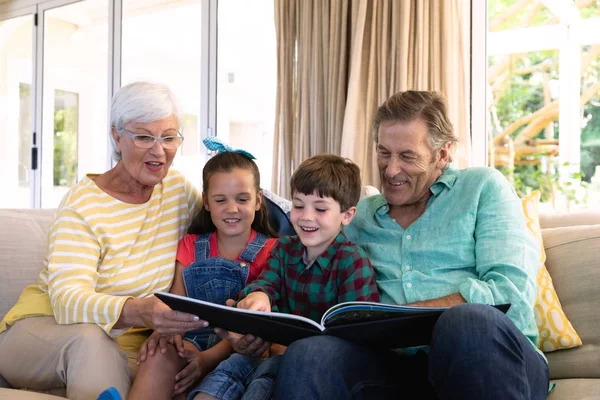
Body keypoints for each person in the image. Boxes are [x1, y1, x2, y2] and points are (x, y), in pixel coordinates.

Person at [272, 90, 550, 399]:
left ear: (442, 155)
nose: (391, 170)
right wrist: (260, 325)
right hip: (395, 367)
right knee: (308, 355)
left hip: (493, 358)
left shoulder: (483, 188)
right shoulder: (355, 216)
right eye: (383, 152)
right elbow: (307, 277)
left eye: (407, 156)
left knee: (469, 321)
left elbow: (511, 293)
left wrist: (405, 316)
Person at [0, 81, 209, 400]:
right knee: (91, 341)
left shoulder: (178, 191)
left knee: (165, 358)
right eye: (143, 137)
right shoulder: (83, 206)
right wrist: (142, 311)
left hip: (126, 344)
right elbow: (67, 299)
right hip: (43, 328)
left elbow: (224, 220)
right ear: (116, 136)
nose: (159, 150)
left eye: (169, 137)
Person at [194, 153, 380, 400]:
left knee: (262, 386)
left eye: (321, 209)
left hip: (307, 367)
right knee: (217, 384)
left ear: (347, 215)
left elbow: (360, 336)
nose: (306, 216)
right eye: (299, 205)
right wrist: (258, 297)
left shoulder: (352, 261)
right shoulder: (284, 249)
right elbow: (265, 284)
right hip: (260, 355)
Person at [121, 138, 279, 400]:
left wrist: (205, 360)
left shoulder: (273, 250)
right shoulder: (190, 245)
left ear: (258, 200)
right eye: (220, 200)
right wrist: (166, 335)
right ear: (206, 202)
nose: (232, 209)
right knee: (158, 352)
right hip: (191, 340)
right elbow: (177, 304)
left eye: (242, 199)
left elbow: (257, 332)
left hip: (240, 350)